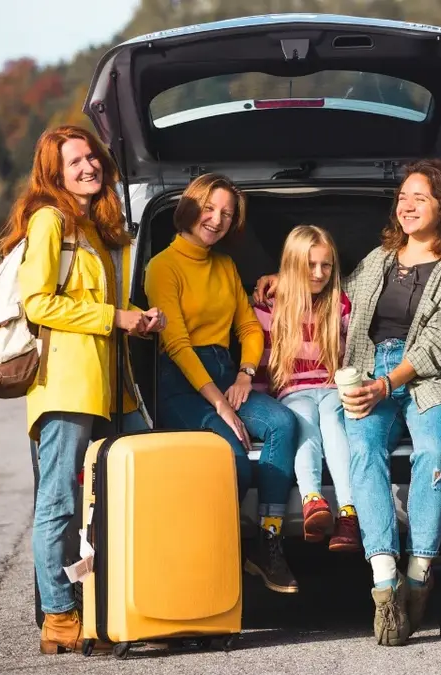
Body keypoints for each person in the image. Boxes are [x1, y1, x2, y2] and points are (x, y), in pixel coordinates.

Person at [254, 158, 441, 646]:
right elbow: (331, 290)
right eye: (402, 197)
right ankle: (385, 585)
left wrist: (388, 383)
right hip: (367, 370)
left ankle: (420, 572)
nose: (407, 205)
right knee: (363, 451)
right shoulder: (380, 259)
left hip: (431, 380)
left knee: (433, 452)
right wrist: (282, 278)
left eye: (419, 197)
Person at [0, 124, 166, 654]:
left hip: (111, 386)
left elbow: (102, 308)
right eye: (75, 162)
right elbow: (38, 304)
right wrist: (115, 317)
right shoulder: (49, 221)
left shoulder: (94, 229)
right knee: (61, 503)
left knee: (124, 494)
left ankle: (118, 600)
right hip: (66, 388)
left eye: (92, 157)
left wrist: (138, 319)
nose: (88, 166)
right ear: (54, 173)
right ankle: (59, 618)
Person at [144, 172, 301, 594]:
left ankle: (267, 543)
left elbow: (249, 328)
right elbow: (176, 344)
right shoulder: (162, 266)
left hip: (225, 371)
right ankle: (214, 557)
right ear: (191, 207)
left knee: (283, 424)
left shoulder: (226, 265)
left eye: (227, 214)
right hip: (180, 381)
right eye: (210, 208)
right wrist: (220, 404)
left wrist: (245, 374)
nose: (216, 219)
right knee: (231, 459)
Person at [251, 225, 360, 554]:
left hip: (331, 385)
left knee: (331, 417)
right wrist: (257, 402)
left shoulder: (339, 304)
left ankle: (348, 512)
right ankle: (313, 499)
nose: (318, 273)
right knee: (302, 419)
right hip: (292, 390)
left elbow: (355, 352)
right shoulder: (270, 307)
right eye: (309, 265)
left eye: (326, 265)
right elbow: (263, 361)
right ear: (292, 265)